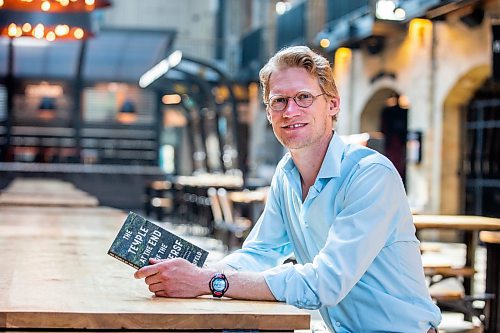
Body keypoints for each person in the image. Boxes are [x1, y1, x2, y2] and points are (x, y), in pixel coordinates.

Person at [135, 46, 442, 332]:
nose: (290, 111)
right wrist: (200, 272)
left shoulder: (370, 174)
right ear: (269, 113)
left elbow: (324, 284)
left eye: (304, 97)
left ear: (333, 104)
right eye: (279, 101)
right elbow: (261, 251)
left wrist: (210, 281)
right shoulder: (286, 173)